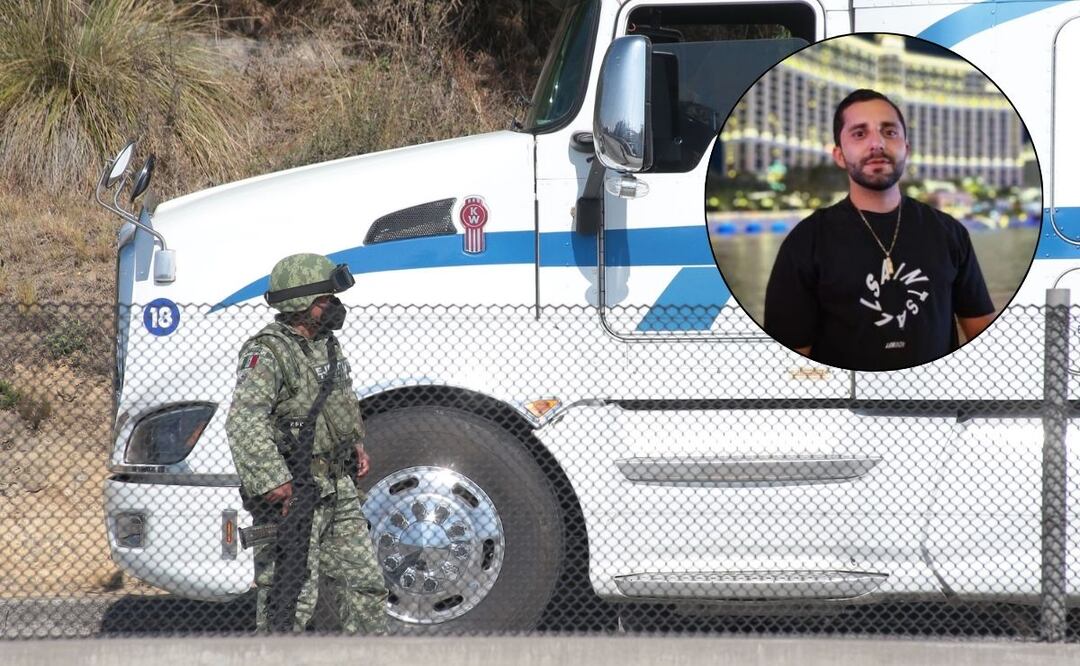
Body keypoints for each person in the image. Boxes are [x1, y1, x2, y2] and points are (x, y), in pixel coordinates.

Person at [763, 88, 996, 371]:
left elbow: (981, 331)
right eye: (860, 134)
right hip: (848, 409)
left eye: (889, 132)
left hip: (935, 405)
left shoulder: (949, 232)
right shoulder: (806, 240)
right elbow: (794, 362)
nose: (877, 143)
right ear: (839, 155)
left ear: (906, 149)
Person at [225, 253, 388, 633]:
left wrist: (355, 445)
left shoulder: (327, 345)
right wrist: (271, 482)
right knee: (291, 596)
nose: (334, 306)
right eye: (325, 300)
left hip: (338, 486)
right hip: (295, 493)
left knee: (364, 587)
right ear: (300, 304)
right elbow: (245, 420)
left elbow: (340, 402)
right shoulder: (269, 351)